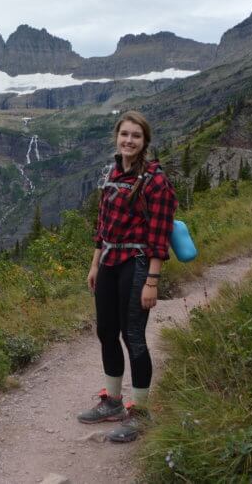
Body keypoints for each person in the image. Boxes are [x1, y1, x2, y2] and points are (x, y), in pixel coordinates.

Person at [78, 110, 177, 443]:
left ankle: (141, 413)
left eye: (136, 136)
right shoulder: (112, 173)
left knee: (133, 334)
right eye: (125, 135)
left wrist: (152, 281)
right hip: (109, 259)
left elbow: (159, 236)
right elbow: (102, 225)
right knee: (106, 331)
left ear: (144, 141)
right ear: (117, 137)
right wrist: (95, 263)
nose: (129, 140)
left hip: (136, 262)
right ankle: (114, 402)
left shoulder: (155, 181)